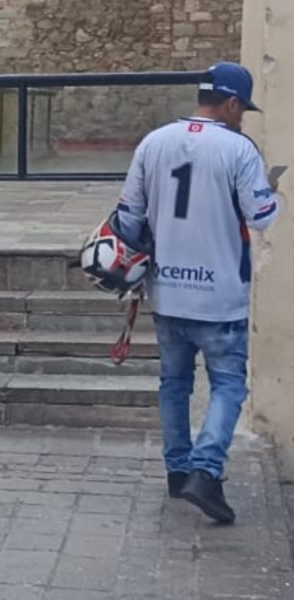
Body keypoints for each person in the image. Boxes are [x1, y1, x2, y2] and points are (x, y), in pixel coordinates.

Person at [117, 62, 280, 524]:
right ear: (230, 103)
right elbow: (261, 215)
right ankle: (205, 472)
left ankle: (177, 470)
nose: (242, 117)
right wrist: (274, 190)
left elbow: (128, 216)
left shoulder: (153, 141)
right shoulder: (239, 149)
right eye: (242, 109)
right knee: (228, 384)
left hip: (166, 290)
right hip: (219, 294)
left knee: (174, 383)